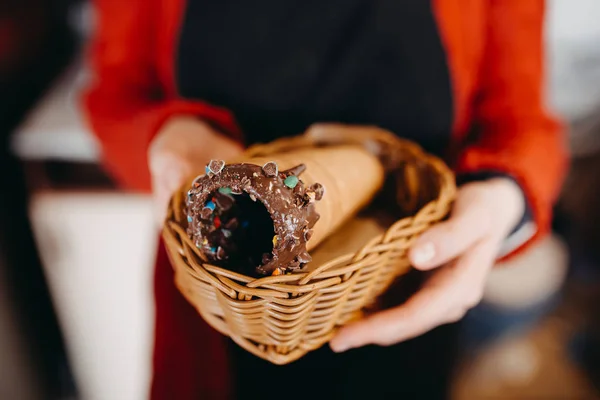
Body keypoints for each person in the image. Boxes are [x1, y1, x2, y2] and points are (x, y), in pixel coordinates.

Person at [82, 1, 568, 398]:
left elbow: (522, 119)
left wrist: (504, 198)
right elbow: (115, 99)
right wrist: (170, 133)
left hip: (398, 298)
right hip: (221, 303)